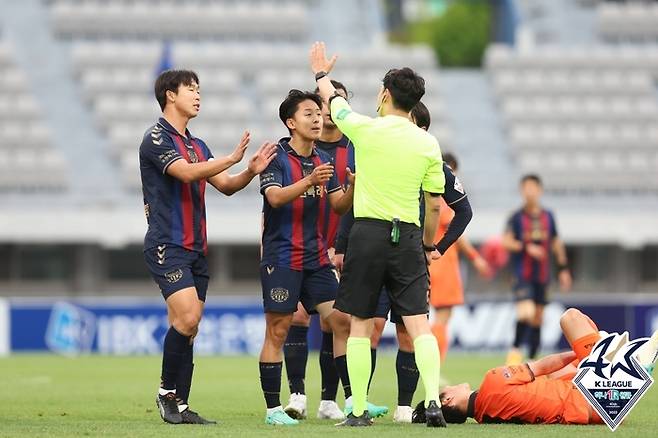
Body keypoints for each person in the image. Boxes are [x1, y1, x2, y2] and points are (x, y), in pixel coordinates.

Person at [311, 41, 447, 427]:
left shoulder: (365, 130)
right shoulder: (428, 143)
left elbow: (335, 105)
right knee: (419, 323)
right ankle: (433, 402)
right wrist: (427, 245)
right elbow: (435, 204)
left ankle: (356, 411)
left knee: (359, 322)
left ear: (385, 95)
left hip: (367, 234)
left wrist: (322, 75)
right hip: (407, 235)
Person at [140, 69, 276, 424]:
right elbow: (185, 173)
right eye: (191, 89)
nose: (198, 95)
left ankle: (181, 406)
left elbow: (227, 186)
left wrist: (249, 170)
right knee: (188, 317)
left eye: (199, 89)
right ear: (170, 95)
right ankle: (166, 394)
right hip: (166, 244)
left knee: (190, 325)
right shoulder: (156, 138)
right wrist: (231, 158)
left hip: (197, 248)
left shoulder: (198, 145)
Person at [333, 101, 475, 423]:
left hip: (384, 246)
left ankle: (397, 407)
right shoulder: (404, 152)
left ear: (420, 127)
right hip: (409, 249)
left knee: (391, 329)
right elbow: (356, 201)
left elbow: (462, 210)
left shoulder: (417, 157)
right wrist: (430, 247)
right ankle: (373, 403)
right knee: (400, 327)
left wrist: (439, 246)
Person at [283, 81, 386, 421]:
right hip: (302, 248)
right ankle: (297, 395)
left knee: (338, 324)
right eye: (318, 105)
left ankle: (333, 400)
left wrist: (344, 247)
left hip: (348, 250)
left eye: (329, 102)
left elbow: (360, 201)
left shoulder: (357, 146)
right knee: (297, 316)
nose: (323, 110)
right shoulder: (296, 152)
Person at [258, 89, 355, 425]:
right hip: (282, 257)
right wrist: (308, 181)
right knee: (279, 329)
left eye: (318, 113)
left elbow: (339, 205)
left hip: (315, 258)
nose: (317, 119)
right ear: (290, 122)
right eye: (309, 114)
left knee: (340, 320)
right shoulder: (276, 158)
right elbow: (274, 198)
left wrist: (352, 187)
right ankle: (274, 409)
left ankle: (350, 400)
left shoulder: (322, 162)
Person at [415, 307, 658, 425]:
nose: (453, 385)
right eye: (446, 389)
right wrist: (582, 353)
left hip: (596, 413)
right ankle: (625, 366)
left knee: (560, 375)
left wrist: (584, 357)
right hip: (594, 397)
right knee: (571, 317)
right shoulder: (492, 383)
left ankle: (614, 360)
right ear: (447, 401)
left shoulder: (487, 417)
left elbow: (552, 376)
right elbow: (544, 364)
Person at [428, 151, 491, 364]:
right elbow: (456, 233)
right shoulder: (445, 199)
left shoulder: (423, 192)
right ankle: (434, 363)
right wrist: (475, 258)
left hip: (423, 261)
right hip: (442, 263)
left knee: (418, 318)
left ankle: (421, 360)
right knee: (442, 318)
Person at [502, 174, 572, 365]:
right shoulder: (516, 217)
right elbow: (506, 241)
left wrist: (563, 268)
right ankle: (515, 352)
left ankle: (532, 362)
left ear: (539, 190)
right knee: (526, 312)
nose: (529, 192)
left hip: (543, 275)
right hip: (522, 274)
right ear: (521, 191)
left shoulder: (548, 216)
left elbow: (556, 242)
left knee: (537, 318)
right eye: (526, 188)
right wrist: (526, 247)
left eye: (533, 187)